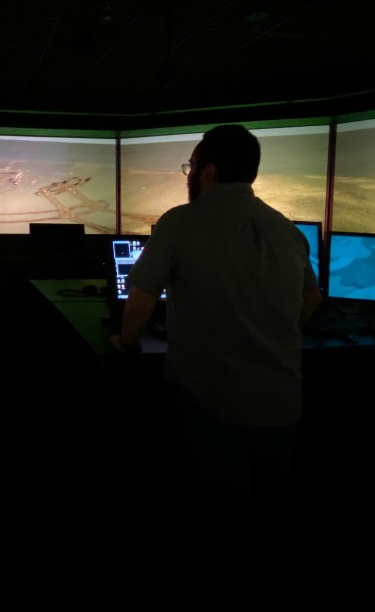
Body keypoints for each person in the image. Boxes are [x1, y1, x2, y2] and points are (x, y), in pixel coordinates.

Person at [109, 123, 322, 582]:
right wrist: (280, 333)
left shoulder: (181, 223)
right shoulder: (286, 230)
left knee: (226, 508)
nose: (188, 176)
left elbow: (140, 301)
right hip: (282, 398)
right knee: (279, 497)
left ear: (207, 173)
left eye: (190, 167)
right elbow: (311, 298)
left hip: (211, 399)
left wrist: (126, 345)